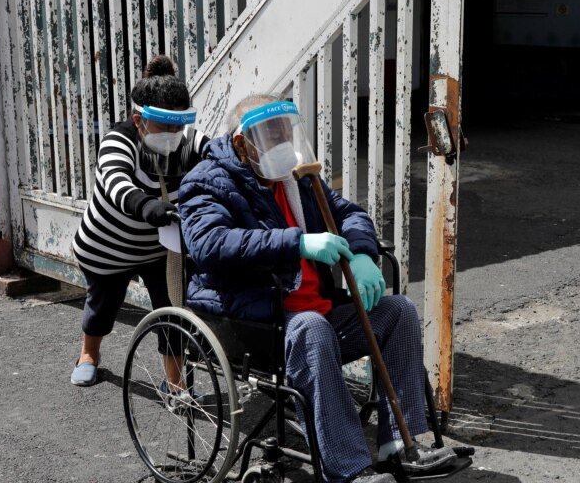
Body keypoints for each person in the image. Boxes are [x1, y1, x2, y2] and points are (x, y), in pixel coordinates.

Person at [177, 94, 456, 483]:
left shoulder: (298, 177)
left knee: (399, 312)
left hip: (316, 311)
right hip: (256, 321)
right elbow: (210, 244)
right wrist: (297, 242)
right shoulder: (206, 182)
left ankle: (401, 443)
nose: (282, 146)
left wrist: (360, 254)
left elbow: (349, 213)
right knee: (311, 328)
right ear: (242, 144)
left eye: (284, 135)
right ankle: (349, 470)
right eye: (271, 138)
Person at [70, 55, 209, 386]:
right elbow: (115, 180)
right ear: (140, 120)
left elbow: (218, 153)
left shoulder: (186, 140)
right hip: (109, 247)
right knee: (103, 306)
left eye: (180, 124)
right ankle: (89, 354)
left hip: (161, 249)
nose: (174, 133)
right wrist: (145, 205)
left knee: (174, 310)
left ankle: (175, 384)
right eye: (165, 126)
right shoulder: (120, 140)